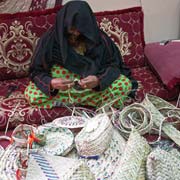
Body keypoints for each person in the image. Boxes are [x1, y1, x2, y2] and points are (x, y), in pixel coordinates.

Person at [24, 0, 138, 109]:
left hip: (92, 90)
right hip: (63, 91)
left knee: (124, 85)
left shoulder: (100, 39)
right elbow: (36, 71)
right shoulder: (49, 39)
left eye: (80, 31)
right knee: (31, 94)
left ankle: (76, 102)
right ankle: (80, 102)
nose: (75, 34)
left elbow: (114, 65)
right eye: (71, 30)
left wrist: (98, 80)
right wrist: (52, 83)